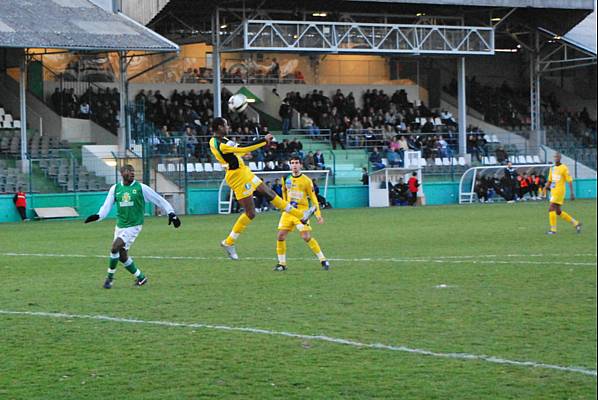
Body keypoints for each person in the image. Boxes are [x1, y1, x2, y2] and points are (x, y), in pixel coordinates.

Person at [209, 117, 316, 260]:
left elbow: (238, 150)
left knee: (269, 192)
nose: (228, 126)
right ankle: (229, 242)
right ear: (219, 127)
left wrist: (245, 151)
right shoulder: (221, 144)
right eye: (226, 124)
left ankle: (301, 216)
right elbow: (242, 148)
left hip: (243, 171)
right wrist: (263, 141)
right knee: (251, 213)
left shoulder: (218, 141)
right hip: (237, 177)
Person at [84, 164, 181, 289]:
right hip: (120, 226)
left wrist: (171, 213)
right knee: (122, 255)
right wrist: (98, 216)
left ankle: (109, 279)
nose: (132, 173)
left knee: (115, 247)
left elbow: (159, 200)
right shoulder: (115, 189)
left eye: (133, 171)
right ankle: (141, 277)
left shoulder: (141, 188)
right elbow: (106, 206)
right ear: (122, 173)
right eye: (129, 171)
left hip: (133, 226)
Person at [274, 157, 330, 271]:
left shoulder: (306, 180)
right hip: (289, 211)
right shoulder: (286, 178)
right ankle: (282, 264)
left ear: (300, 165)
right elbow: (284, 192)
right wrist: (284, 206)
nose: (294, 165)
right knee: (280, 236)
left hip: (301, 213)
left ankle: (323, 260)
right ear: (290, 165)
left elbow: (313, 198)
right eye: (292, 163)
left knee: (306, 237)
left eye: (296, 163)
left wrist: (318, 215)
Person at [545, 152, 582, 235]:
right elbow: (550, 180)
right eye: (555, 157)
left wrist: (572, 192)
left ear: (560, 158)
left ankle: (553, 230)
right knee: (558, 211)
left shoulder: (564, 168)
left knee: (551, 208)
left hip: (559, 191)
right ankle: (576, 223)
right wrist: (545, 188)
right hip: (553, 191)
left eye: (557, 157)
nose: (556, 158)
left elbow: (569, 180)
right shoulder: (552, 168)